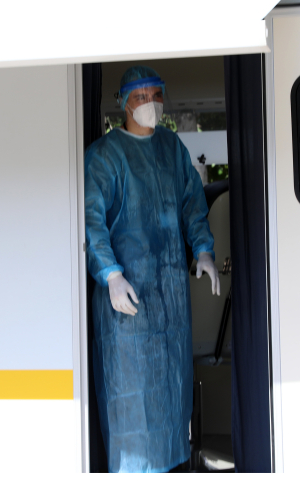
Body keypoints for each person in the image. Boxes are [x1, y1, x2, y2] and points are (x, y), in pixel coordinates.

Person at [84, 65, 219, 473]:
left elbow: (192, 202)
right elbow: (91, 220)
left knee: (171, 389)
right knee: (130, 395)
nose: (151, 104)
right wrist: (110, 274)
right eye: (141, 97)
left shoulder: (171, 147)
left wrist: (204, 250)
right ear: (123, 103)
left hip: (170, 299)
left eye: (156, 95)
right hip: (126, 303)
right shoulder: (104, 156)